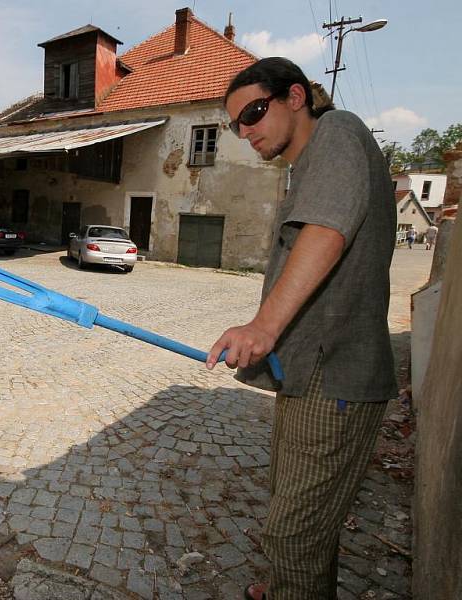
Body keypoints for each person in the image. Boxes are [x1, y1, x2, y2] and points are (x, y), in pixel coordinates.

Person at [205, 57, 397, 600]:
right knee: (304, 519)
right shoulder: (306, 165)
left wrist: (262, 328)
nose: (246, 131)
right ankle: (297, 586)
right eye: (236, 124)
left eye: (255, 113)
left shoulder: (337, 131)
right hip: (307, 375)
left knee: (290, 532)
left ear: (295, 97)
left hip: (337, 380)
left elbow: (327, 230)